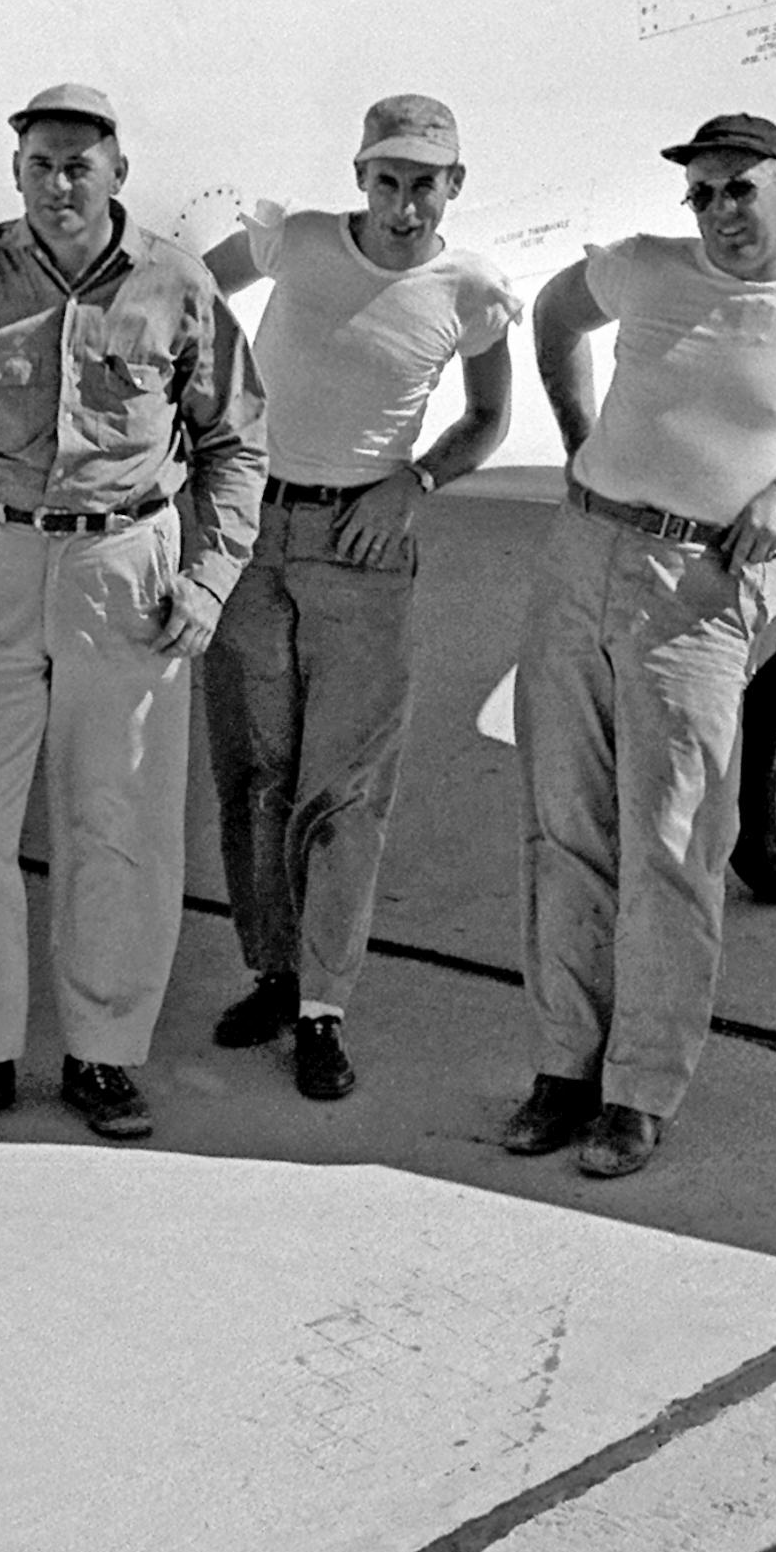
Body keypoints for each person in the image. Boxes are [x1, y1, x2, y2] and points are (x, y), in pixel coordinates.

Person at [503, 110, 776, 1182]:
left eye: (739, 191)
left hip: (699, 591)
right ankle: (563, 1069)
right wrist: (579, 439)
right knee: (564, 826)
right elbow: (552, 313)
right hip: (582, 558)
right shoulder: (642, 268)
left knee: (674, 845)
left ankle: (639, 1093)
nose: (719, 212)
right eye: (703, 193)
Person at [0, 84, 263, 1145]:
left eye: (79, 165)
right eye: (41, 164)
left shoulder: (174, 284)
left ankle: (103, 1056)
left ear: (118, 174)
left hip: (122, 564)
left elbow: (236, 441)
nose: (60, 184)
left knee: (123, 821)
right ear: (15, 173)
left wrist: (209, 579)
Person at [197, 98, 519, 1104]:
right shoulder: (292, 242)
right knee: (253, 771)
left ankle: (323, 1010)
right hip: (252, 534)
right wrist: (211, 421)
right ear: (360, 177)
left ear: (454, 185)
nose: (405, 201)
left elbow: (489, 418)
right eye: (388, 179)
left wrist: (413, 484)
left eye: (427, 181)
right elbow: (191, 295)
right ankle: (274, 971)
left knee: (343, 790)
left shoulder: (468, 289)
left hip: (361, 547)